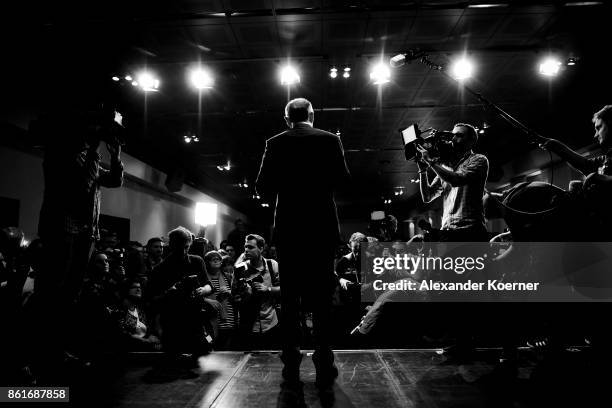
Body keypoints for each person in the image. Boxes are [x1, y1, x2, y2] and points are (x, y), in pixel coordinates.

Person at [256, 97, 350, 389]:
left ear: (287, 119)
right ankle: (323, 360)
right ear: (312, 115)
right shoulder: (330, 140)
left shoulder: (275, 142)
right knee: (322, 298)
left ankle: (291, 362)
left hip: (290, 229)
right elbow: (344, 181)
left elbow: (262, 187)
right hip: (321, 229)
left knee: (290, 298)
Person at [31, 103, 124, 381]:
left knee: (70, 294)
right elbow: (81, 184)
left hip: (85, 231)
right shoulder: (64, 150)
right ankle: (40, 356)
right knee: (53, 293)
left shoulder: (89, 156)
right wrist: (95, 150)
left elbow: (115, 181)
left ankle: (58, 351)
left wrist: (116, 156)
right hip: (63, 228)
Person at [148, 226, 215, 361]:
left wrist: (203, 290)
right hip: (173, 322)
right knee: (174, 359)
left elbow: (210, 286)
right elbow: (151, 300)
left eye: (187, 247)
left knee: (204, 351)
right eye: (181, 247)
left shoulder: (197, 261)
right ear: (172, 245)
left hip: (196, 319)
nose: (184, 251)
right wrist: (170, 292)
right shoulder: (160, 269)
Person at [416, 123, 489, 242]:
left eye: (459, 135)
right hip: (448, 232)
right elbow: (427, 196)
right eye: (453, 135)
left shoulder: (478, 159)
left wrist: (431, 162)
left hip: (471, 232)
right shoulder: (446, 166)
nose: (453, 139)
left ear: (472, 141)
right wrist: (423, 170)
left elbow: (456, 180)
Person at [232, 234, 280, 350]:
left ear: (261, 248)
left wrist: (267, 289)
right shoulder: (240, 269)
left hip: (270, 323)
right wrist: (245, 294)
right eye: (245, 247)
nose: (246, 250)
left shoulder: (272, 265)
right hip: (249, 326)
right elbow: (234, 297)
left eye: (251, 247)